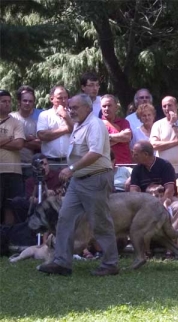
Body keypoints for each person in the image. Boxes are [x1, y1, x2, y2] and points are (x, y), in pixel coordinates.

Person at [37, 93, 119, 277]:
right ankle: (62, 262)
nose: (71, 111)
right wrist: (74, 171)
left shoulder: (95, 125)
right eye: (70, 108)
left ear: (88, 108)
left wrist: (71, 168)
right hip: (78, 180)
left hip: (96, 178)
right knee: (65, 218)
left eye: (75, 107)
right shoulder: (79, 125)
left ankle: (110, 263)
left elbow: (96, 152)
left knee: (100, 222)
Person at [130, 140, 178, 230]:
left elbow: (170, 190)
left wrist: (159, 204)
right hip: (145, 202)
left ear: (145, 154)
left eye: (136, 154)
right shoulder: (137, 169)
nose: (133, 156)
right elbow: (133, 191)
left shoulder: (165, 165)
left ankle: (170, 236)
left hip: (166, 199)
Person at [150, 96, 178, 207]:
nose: (167, 108)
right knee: (162, 201)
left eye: (170, 105)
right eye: (164, 106)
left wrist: (174, 124)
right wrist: (176, 141)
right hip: (162, 170)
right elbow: (154, 145)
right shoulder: (157, 124)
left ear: (176, 106)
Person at [0, 90, 25, 225]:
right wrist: (9, 138)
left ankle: (8, 238)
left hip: (13, 171)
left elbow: (19, 144)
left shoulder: (16, 122)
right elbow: (13, 142)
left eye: (9, 101)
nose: (7, 104)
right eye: (4, 101)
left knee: (11, 206)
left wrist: (2, 141)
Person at [10, 85, 42, 180]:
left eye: (30, 101)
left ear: (33, 103)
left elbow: (39, 144)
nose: (27, 103)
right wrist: (28, 139)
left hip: (30, 165)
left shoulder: (37, 121)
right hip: (12, 165)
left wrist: (19, 141)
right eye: (25, 100)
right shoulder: (10, 118)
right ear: (19, 102)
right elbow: (5, 141)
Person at [37, 85, 73, 169]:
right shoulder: (44, 115)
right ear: (52, 99)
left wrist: (65, 115)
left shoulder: (73, 114)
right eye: (60, 98)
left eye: (66, 97)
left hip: (69, 161)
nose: (63, 101)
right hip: (50, 162)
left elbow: (77, 131)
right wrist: (66, 129)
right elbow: (42, 135)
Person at [100, 95, 132, 164]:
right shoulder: (97, 124)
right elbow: (100, 143)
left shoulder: (124, 122)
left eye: (109, 105)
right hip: (106, 165)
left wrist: (107, 137)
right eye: (104, 106)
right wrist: (120, 136)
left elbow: (127, 137)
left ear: (116, 107)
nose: (106, 108)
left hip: (124, 163)